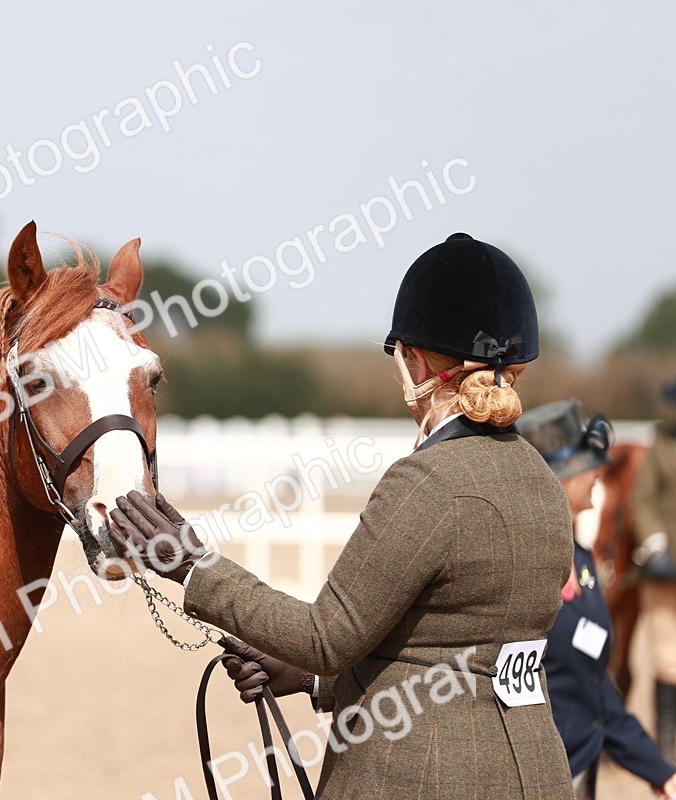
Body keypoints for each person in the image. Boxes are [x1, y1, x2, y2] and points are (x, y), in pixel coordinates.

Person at [110, 233, 576, 799]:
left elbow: (326, 634)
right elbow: (454, 650)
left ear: (416, 361)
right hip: (538, 771)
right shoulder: (544, 482)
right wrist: (312, 680)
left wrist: (193, 565)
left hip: (421, 775)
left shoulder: (428, 482)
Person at [518, 400, 676, 799]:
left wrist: (658, 770)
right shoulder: (524, 567)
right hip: (535, 778)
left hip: (581, 772)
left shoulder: (583, 560)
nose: (599, 472)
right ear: (557, 478)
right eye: (588, 464)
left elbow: (595, 686)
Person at [635, 378, 676, 764]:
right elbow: (643, 498)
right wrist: (656, 539)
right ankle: (668, 747)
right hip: (669, 570)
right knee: (668, 658)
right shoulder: (662, 444)